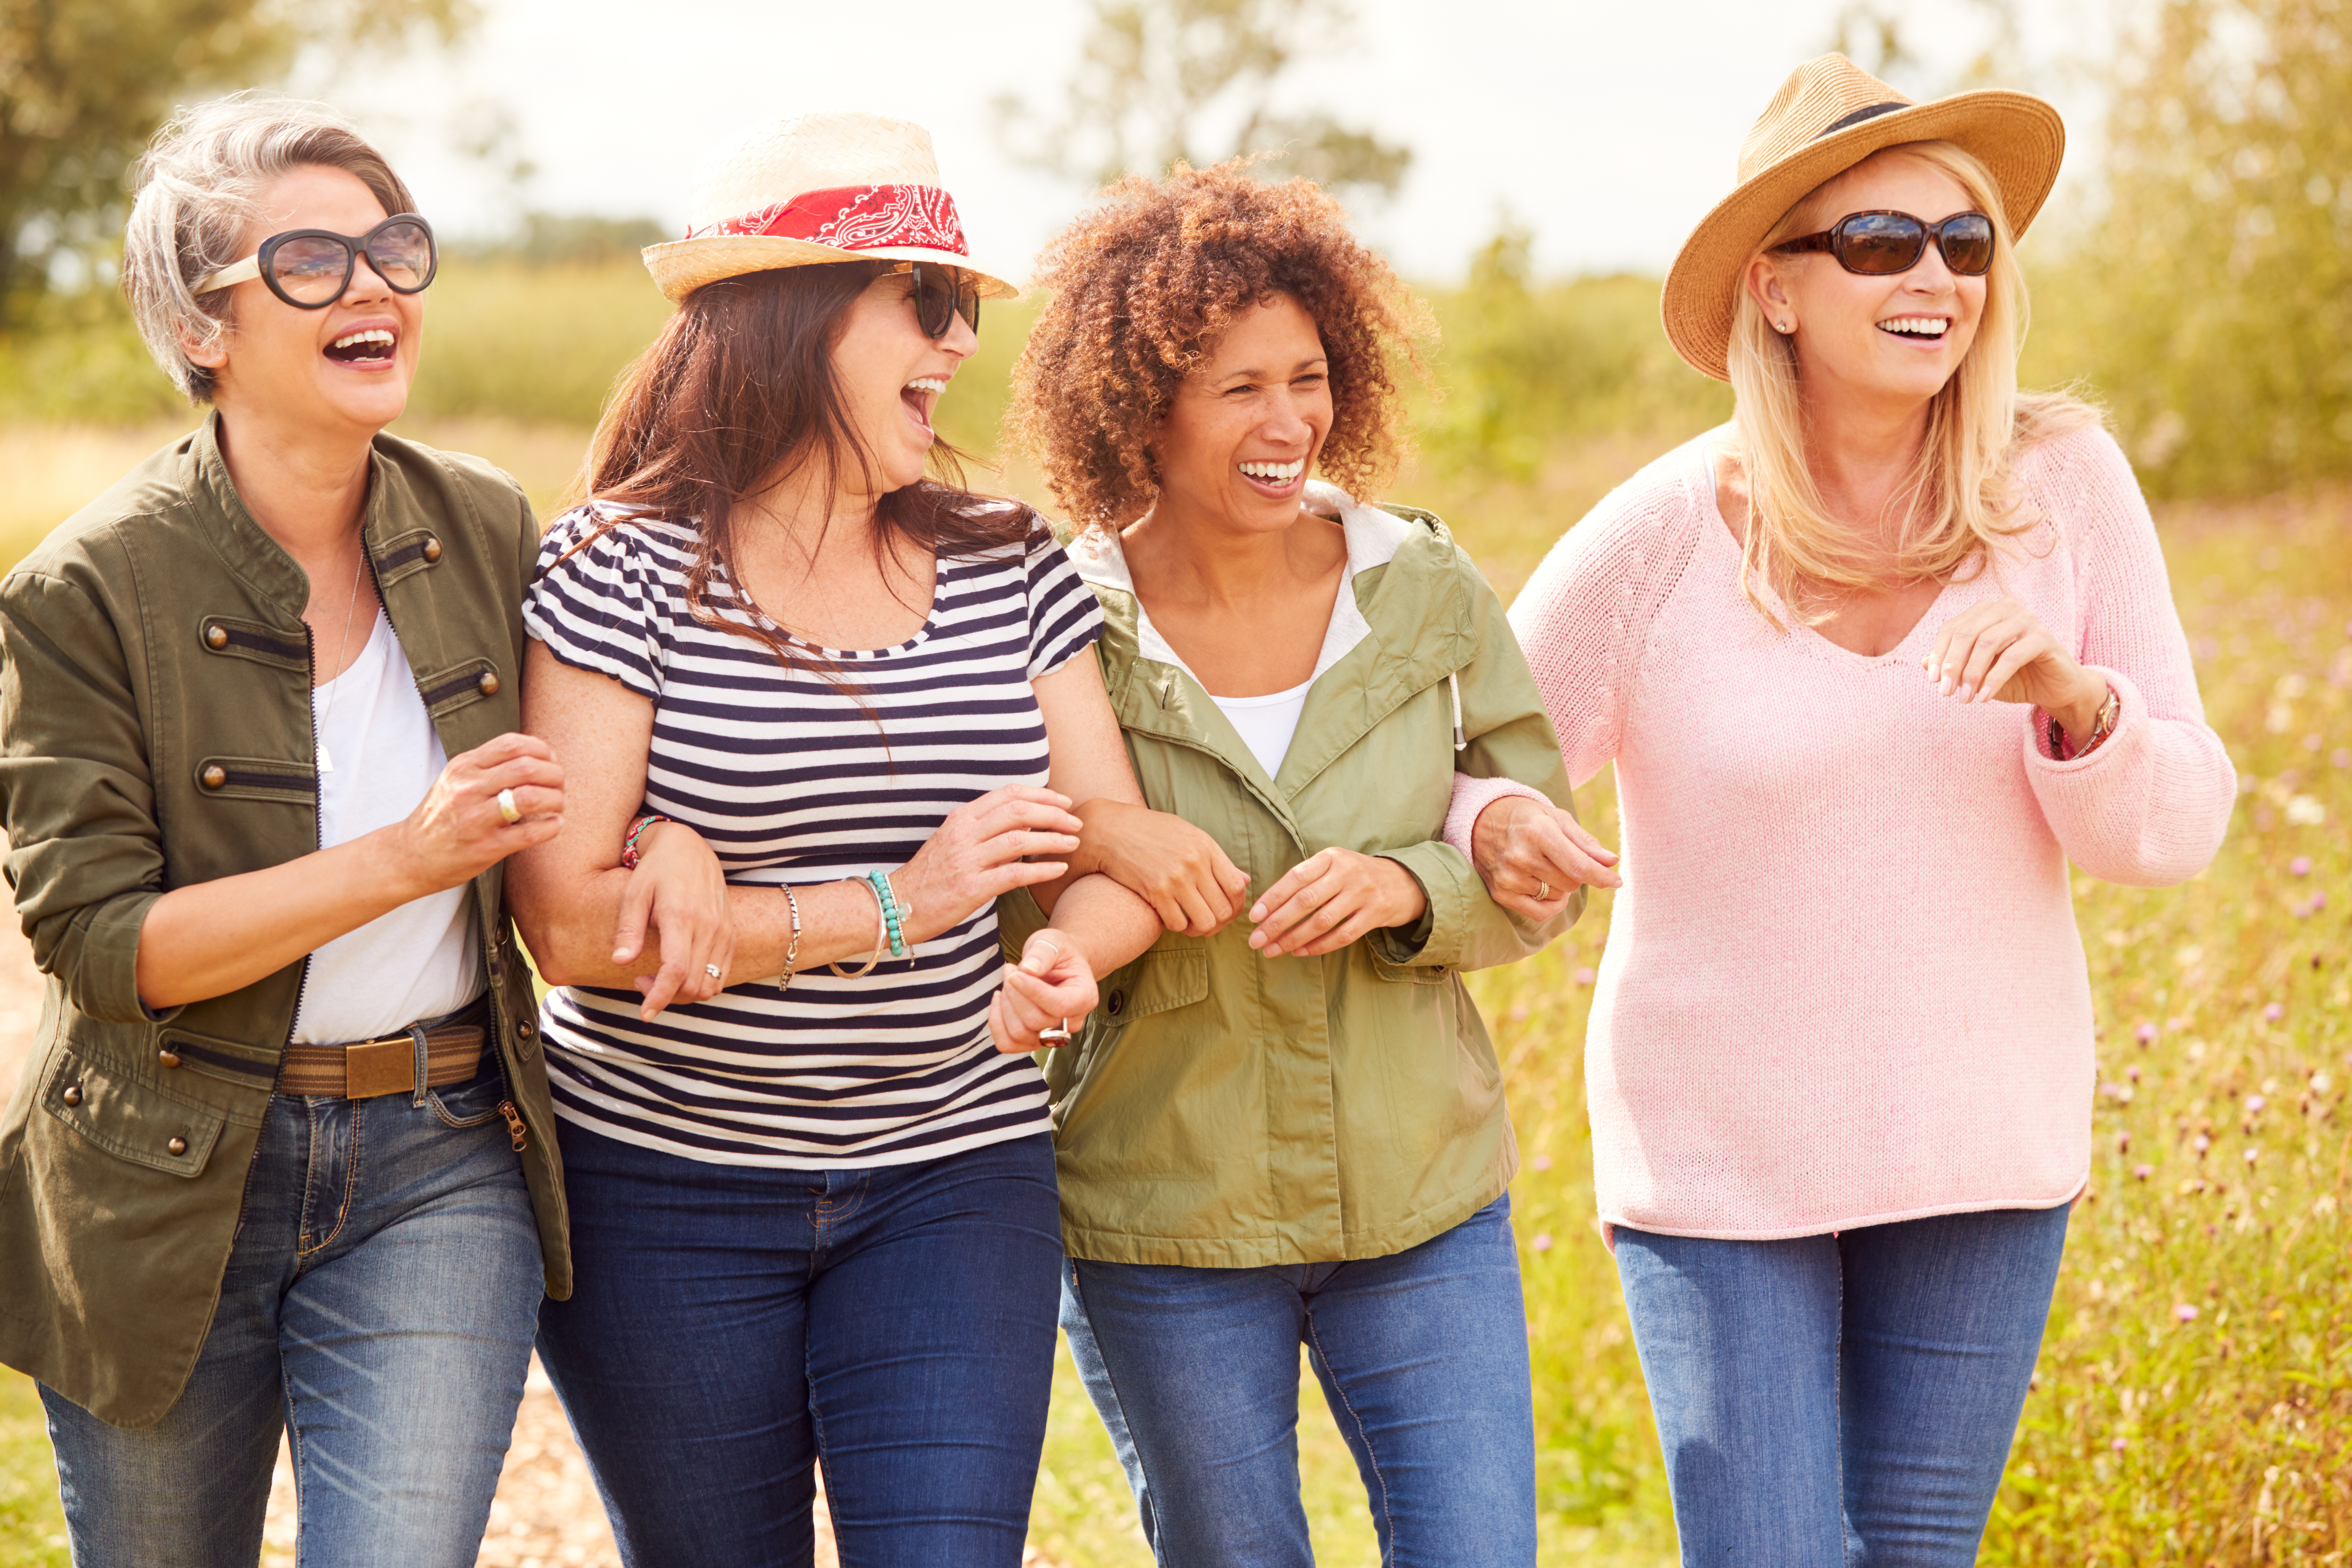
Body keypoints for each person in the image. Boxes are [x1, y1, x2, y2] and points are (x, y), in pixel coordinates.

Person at [1453, 55, 2237, 1565]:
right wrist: (1495, 821)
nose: (1935, 275)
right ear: (1777, 290)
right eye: (1879, 242)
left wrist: (2082, 708)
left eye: (1967, 241)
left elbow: (2178, 826)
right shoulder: (1661, 534)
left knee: (1915, 1554)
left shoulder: (2064, 489)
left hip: (1983, 1143)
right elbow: (1466, 756)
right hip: (1720, 1160)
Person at [505, 113, 1160, 1567]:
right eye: (925, 302)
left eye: (966, 306)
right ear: (794, 320)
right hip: (659, 1188)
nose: (962, 343)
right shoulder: (618, 568)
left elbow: (1101, 853)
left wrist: (1069, 954)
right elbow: (566, 929)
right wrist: (902, 904)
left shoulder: (1012, 560)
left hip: (953, 1167)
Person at [0, 96, 579, 1566]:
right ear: (206, 327)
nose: (375, 284)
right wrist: (405, 858)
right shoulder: (81, 591)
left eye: (392, 247)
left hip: (441, 1155)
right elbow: (101, 947)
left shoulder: (491, 526)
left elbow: (619, 784)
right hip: (162, 1167)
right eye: (312, 261)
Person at [996, 162, 1593, 1568]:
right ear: (1140, 405)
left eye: (1309, 377)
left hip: (1423, 1197)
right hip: (1166, 1211)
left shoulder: (1424, 587)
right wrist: (1086, 872)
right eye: (1238, 389)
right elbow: (1017, 875)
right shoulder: (1055, 620)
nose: (1290, 424)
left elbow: (1535, 854)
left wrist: (1413, 889)